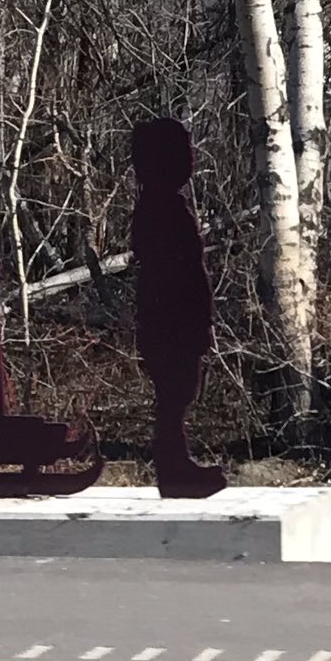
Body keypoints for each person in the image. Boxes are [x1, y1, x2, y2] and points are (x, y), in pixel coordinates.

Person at [131, 118, 226, 498]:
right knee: (173, 393)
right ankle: (173, 468)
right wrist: (189, 318)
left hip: (175, 319)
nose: (189, 161)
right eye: (181, 153)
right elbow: (173, 272)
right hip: (169, 320)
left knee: (179, 392)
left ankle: (176, 463)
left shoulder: (166, 208)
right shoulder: (160, 211)